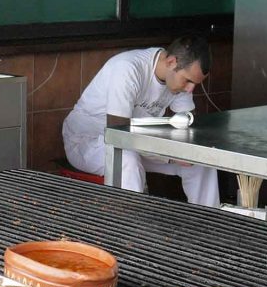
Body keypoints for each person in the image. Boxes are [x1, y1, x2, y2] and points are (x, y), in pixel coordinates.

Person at [62, 36, 220, 207]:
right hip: (88, 142)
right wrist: (170, 157)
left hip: (137, 144)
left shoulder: (178, 78)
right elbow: (118, 137)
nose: (190, 89)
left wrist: (189, 152)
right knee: (127, 160)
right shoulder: (128, 69)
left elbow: (188, 125)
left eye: (195, 84)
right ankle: (131, 230)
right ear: (171, 62)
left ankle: (209, 226)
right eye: (188, 80)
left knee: (202, 161)